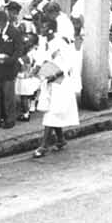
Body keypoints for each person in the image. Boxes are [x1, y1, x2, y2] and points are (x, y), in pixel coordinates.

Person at [32, 18, 80, 157]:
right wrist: (35, 69)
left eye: (44, 27)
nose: (41, 29)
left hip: (61, 81)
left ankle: (44, 145)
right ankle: (60, 139)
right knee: (53, 110)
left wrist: (57, 73)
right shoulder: (43, 42)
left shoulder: (61, 42)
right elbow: (41, 59)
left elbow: (70, 62)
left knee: (52, 112)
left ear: (52, 29)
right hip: (48, 80)